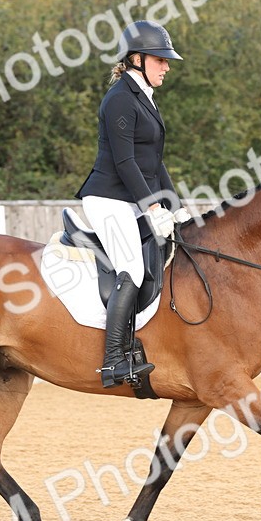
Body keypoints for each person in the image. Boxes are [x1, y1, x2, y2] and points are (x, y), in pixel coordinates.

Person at [75, 20, 189, 388]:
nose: (167, 67)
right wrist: (153, 209)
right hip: (107, 197)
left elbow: (153, 164)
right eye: (160, 60)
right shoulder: (121, 99)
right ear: (137, 59)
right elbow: (125, 163)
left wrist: (177, 206)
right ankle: (112, 362)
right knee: (133, 270)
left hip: (130, 198)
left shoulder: (144, 97)